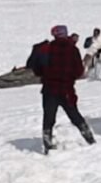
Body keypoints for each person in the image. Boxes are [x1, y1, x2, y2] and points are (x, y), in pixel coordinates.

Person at [35, 25, 96, 153]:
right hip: (66, 89)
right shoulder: (73, 49)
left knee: (49, 117)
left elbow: (38, 69)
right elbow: (79, 71)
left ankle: (48, 145)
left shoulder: (47, 48)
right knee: (74, 115)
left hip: (49, 88)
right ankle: (90, 139)